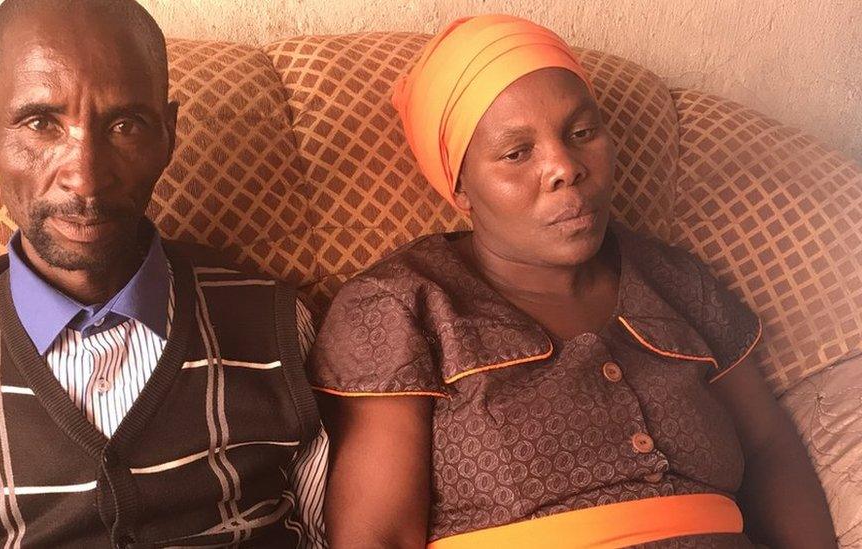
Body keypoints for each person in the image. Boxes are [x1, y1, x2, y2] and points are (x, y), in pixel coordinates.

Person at [309, 14, 836, 548]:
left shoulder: (674, 279)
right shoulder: (401, 305)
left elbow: (770, 451)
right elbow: (377, 536)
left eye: (582, 133)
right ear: (460, 185)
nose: (565, 166)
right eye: (517, 153)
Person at [0, 0, 327, 546]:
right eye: (41, 123)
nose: (85, 177)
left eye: (124, 124)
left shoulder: (275, 324)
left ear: (168, 135)